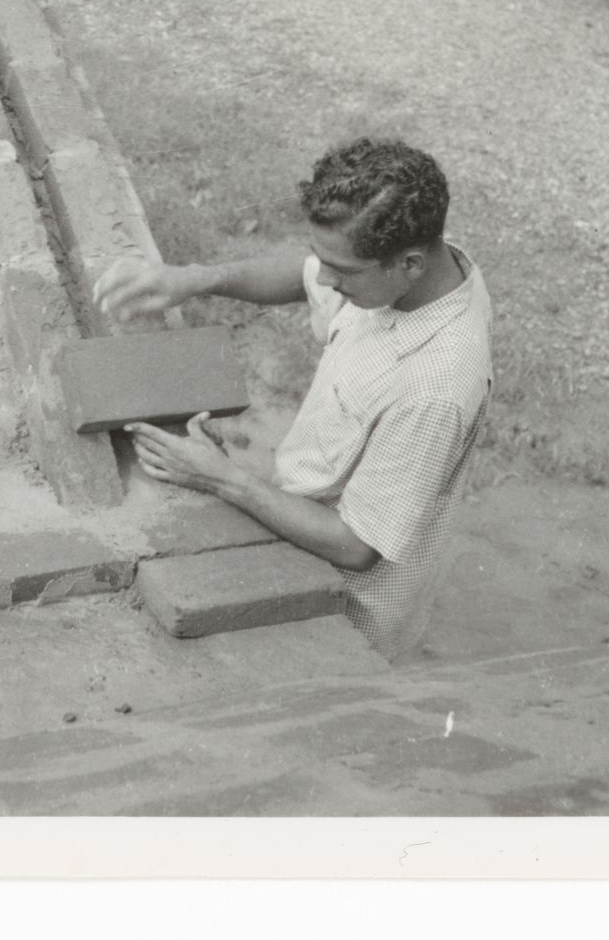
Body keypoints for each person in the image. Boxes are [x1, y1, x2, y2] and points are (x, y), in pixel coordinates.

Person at [94, 137, 493, 661]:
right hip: (301, 511)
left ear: (410, 263)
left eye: (342, 273)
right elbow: (306, 274)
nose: (324, 279)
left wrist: (218, 476)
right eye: (322, 257)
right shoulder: (411, 268)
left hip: (342, 607)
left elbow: (355, 547)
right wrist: (193, 280)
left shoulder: (433, 390)